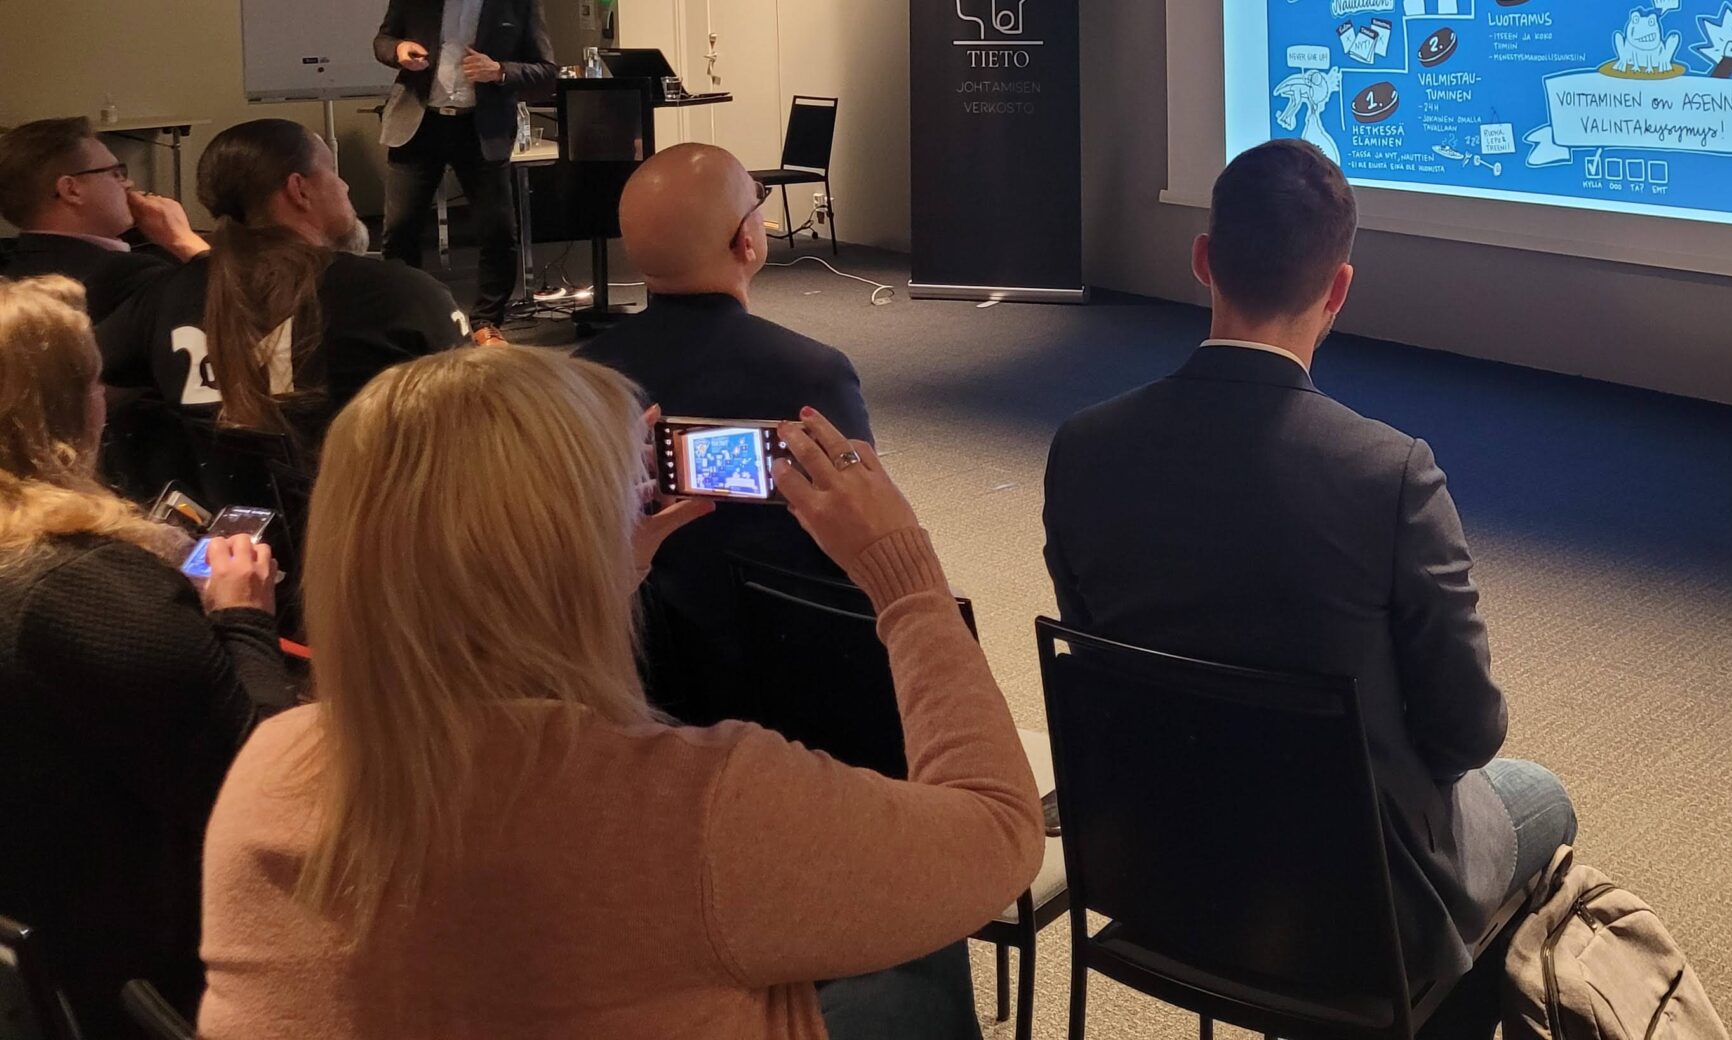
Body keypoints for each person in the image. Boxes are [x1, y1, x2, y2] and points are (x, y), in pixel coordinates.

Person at [197, 347, 1040, 1040]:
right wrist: (905, 581)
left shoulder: (269, 765)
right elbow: (999, 833)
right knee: (915, 953)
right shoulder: (697, 806)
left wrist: (597, 576)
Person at [1043, 139, 1575, 1014]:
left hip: (1160, 860)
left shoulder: (1082, 451)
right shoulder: (1390, 476)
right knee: (1542, 796)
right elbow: (1466, 731)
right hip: (1357, 900)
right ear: (1339, 289)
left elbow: (1104, 666)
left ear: (1202, 260)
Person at [0, 276, 293, 1036]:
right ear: (65, 410)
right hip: (136, 977)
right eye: (96, 381)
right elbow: (261, 783)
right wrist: (242, 615)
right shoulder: (78, 584)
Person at [575, 142, 872, 722]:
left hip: (633, 676)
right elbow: (860, 530)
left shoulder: (581, 377)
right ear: (747, 242)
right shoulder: (813, 375)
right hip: (797, 680)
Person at [143, 120, 467, 442]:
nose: (345, 186)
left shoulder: (161, 300)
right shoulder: (400, 296)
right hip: (362, 476)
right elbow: (475, 416)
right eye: (332, 171)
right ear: (299, 190)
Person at [372, 0, 555, 338]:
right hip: (421, 120)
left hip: (481, 126)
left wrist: (500, 71)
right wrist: (398, 51)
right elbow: (383, 39)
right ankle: (407, 319)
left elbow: (546, 70)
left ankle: (487, 322)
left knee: (497, 232)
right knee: (400, 230)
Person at [0, 115, 209, 378]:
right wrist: (184, 240)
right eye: (115, 173)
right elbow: (239, 310)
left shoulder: (11, 266)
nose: (129, 184)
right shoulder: (133, 276)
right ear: (71, 190)